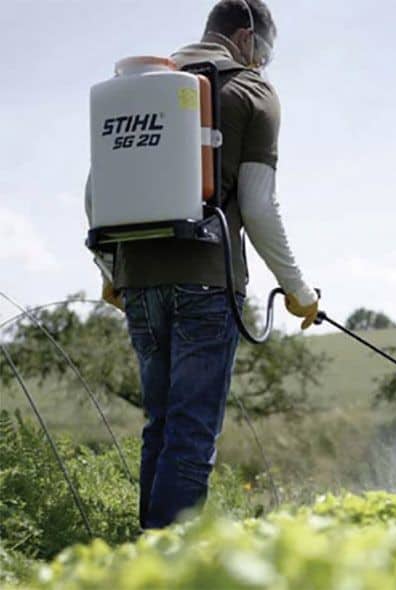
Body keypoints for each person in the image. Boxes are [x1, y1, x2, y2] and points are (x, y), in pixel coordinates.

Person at [85, 0, 319, 529]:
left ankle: (143, 561)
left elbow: (95, 194)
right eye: (264, 53)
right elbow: (258, 205)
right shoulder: (252, 92)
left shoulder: (145, 87)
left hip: (139, 283)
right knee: (191, 435)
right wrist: (298, 290)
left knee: (161, 426)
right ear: (243, 38)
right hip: (208, 284)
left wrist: (108, 273)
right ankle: (169, 570)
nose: (263, 64)